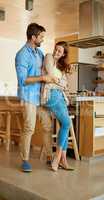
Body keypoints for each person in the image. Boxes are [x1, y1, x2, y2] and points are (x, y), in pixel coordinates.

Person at [15, 23, 57, 172]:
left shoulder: (39, 53)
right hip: (27, 97)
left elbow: (47, 69)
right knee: (29, 128)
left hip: (40, 98)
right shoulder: (22, 54)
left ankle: (49, 156)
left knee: (47, 125)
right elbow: (23, 80)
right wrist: (43, 78)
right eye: (41, 37)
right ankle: (25, 160)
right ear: (33, 37)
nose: (43, 40)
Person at [41, 41, 74, 172]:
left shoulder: (61, 66)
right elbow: (50, 74)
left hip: (60, 96)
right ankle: (58, 157)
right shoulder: (49, 57)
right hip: (51, 95)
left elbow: (64, 84)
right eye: (56, 49)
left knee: (66, 125)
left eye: (59, 51)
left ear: (64, 54)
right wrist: (58, 82)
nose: (56, 53)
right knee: (67, 123)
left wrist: (58, 81)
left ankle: (63, 160)